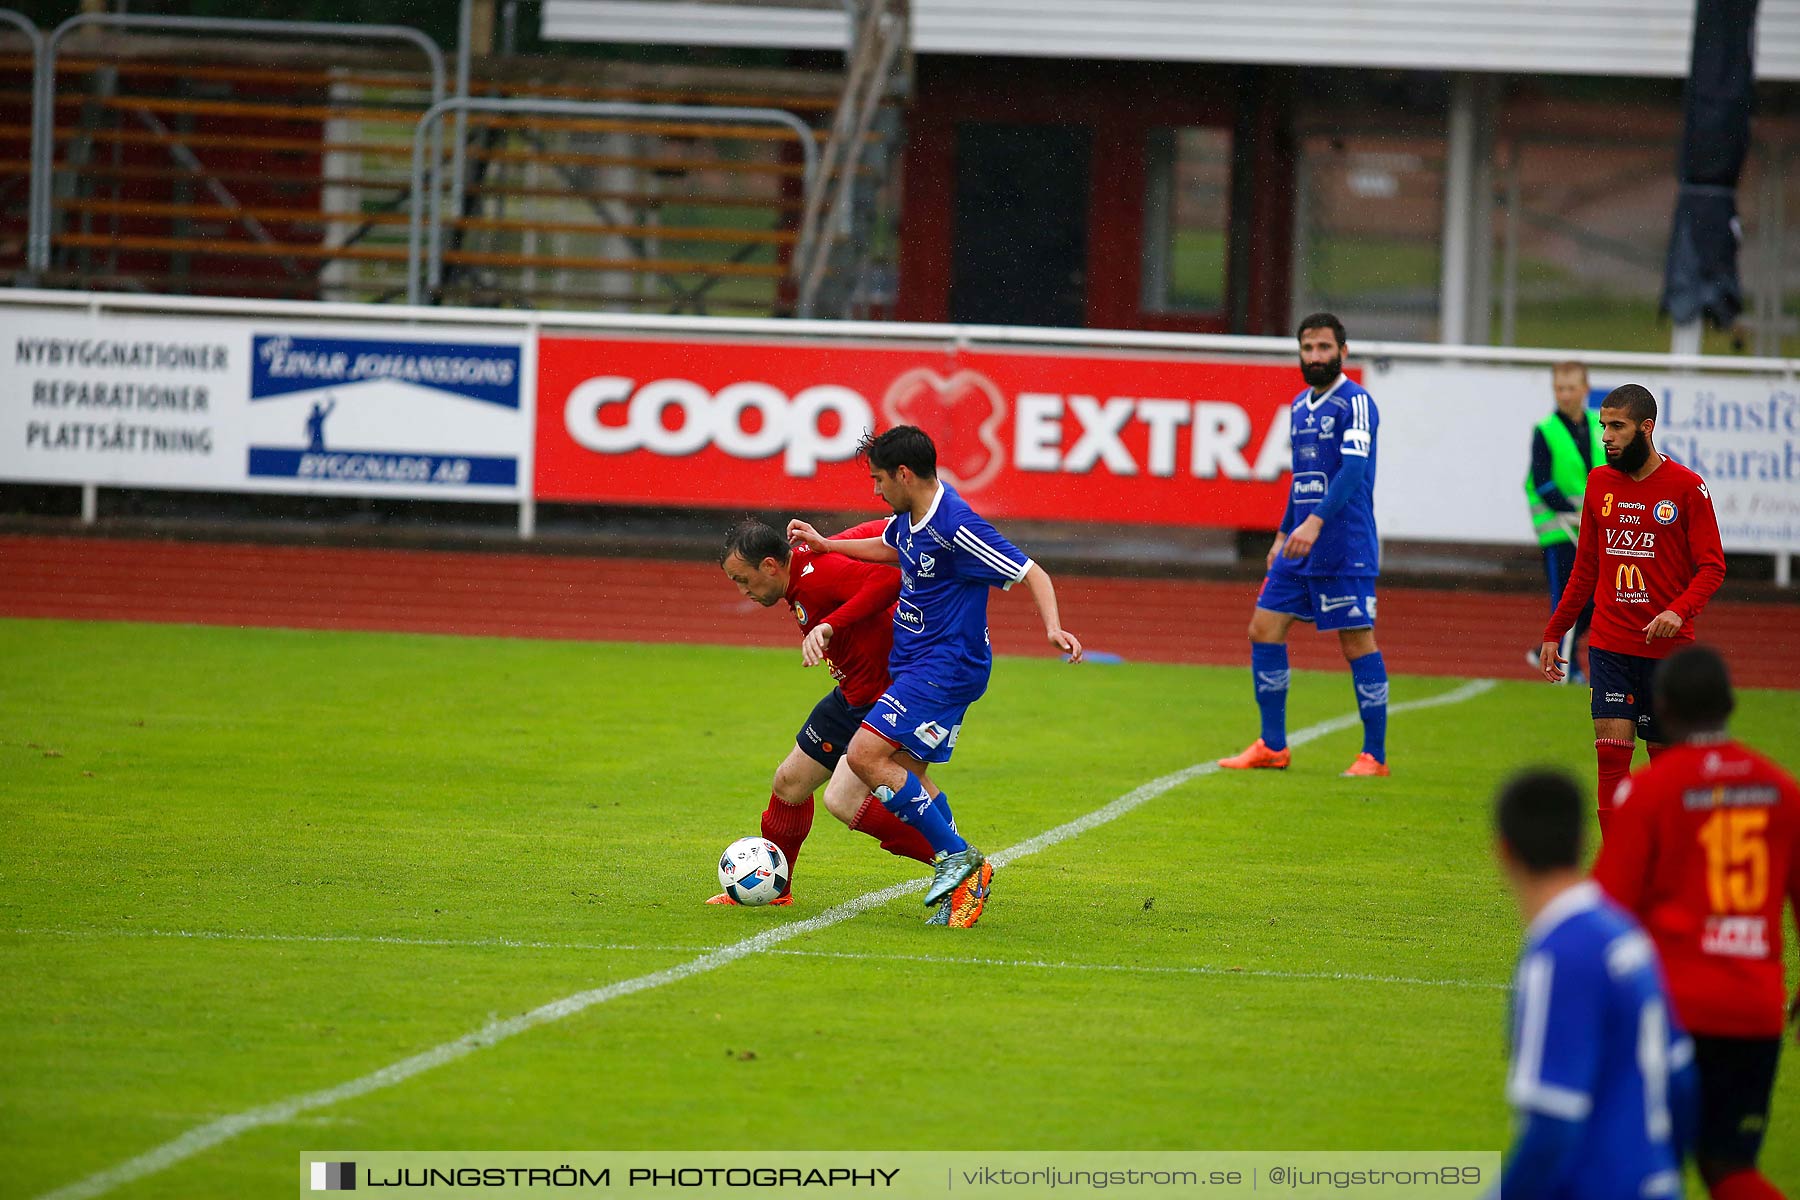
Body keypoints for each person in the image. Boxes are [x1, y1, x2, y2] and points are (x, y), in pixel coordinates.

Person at [787, 425, 1082, 927]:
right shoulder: (910, 518)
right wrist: (826, 543)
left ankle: (958, 857)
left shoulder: (955, 525)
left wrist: (1053, 627)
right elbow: (889, 548)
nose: (876, 490)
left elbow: (1033, 571)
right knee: (908, 778)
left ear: (904, 474)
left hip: (944, 669)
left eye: (879, 479)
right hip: (917, 666)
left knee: (863, 755)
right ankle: (967, 881)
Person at [1594, 646, 1799, 1200]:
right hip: (1755, 1010)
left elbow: (1609, 910)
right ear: (1732, 704)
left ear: (1663, 706)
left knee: (1632, 1159)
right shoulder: (1781, 789)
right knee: (1730, 1167)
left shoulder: (1653, 790)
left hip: (1673, 1008)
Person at [1493, 767, 1696, 1199]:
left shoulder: (1559, 954)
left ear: (1504, 852)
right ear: (1583, 842)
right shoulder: (1626, 935)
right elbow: (1680, 1080)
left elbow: (1552, 1122)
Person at [713, 518, 938, 907]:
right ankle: (775, 891)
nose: (743, 590)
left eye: (743, 579)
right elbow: (875, 528)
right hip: (854, 694)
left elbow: (888, 583)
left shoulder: (819, 573)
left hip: (889, 696)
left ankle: (956, 861)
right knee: (790, 783)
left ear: (769, 565)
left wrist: (830, 625)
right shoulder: (809, 560)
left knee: (855, 799)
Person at [1539, 383, 1726, 836]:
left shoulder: (1686, 487)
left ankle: (1669, 861)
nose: (1606, 436)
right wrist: (1554, 632)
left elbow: (1712, 567)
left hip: (1667, 651)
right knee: (1610, 755)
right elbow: (1585, 569)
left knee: (1664, 766)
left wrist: (1678, 612)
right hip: (1609, 644)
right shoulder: (1600, 482)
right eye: (1603, 426)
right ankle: (1619, 870)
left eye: (1617, 427)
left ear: (1646, 428)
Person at [1219, 312, 1390, 777]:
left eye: (1324, 348)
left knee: (1356, 643)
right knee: (1263, 628)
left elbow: (1352, 470)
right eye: (1308, 349)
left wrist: (1314, 524)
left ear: (1343, 353)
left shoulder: (1356, 402)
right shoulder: (1299, 407)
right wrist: (1282, 532)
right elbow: (1303, 481)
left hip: (1344, 543)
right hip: (1300, 542)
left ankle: (1374, 755)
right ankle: (1272, 746)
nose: (1315, 356)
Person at [1524, 361, 1604, 685]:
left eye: (1571, 388)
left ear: (1585, 389)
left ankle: (1549, 655)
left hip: (1594, 527)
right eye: (1559, 388)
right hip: (1560, 529)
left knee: (1597, 599)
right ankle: (1564, 667)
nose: (1565, 394)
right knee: (1567, 600)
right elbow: (1541, 482)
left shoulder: (1600, 429)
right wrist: (1573, 507)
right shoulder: (1546, 431)